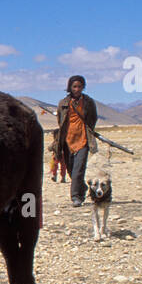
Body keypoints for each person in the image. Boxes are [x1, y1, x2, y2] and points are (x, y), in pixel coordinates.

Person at [56, 75, 98, 205]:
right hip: (67, 140)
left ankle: (76, 197)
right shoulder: (63, 103)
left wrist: (88, 131)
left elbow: (93, 118)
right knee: (71, 170)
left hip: (83, 138)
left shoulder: (88, 102)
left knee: (79, 169)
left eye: (80, 86)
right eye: (74, 86)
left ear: (83, 87)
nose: (77, 89)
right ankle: (83, 188)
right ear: (70, 87)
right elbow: (60, 120)